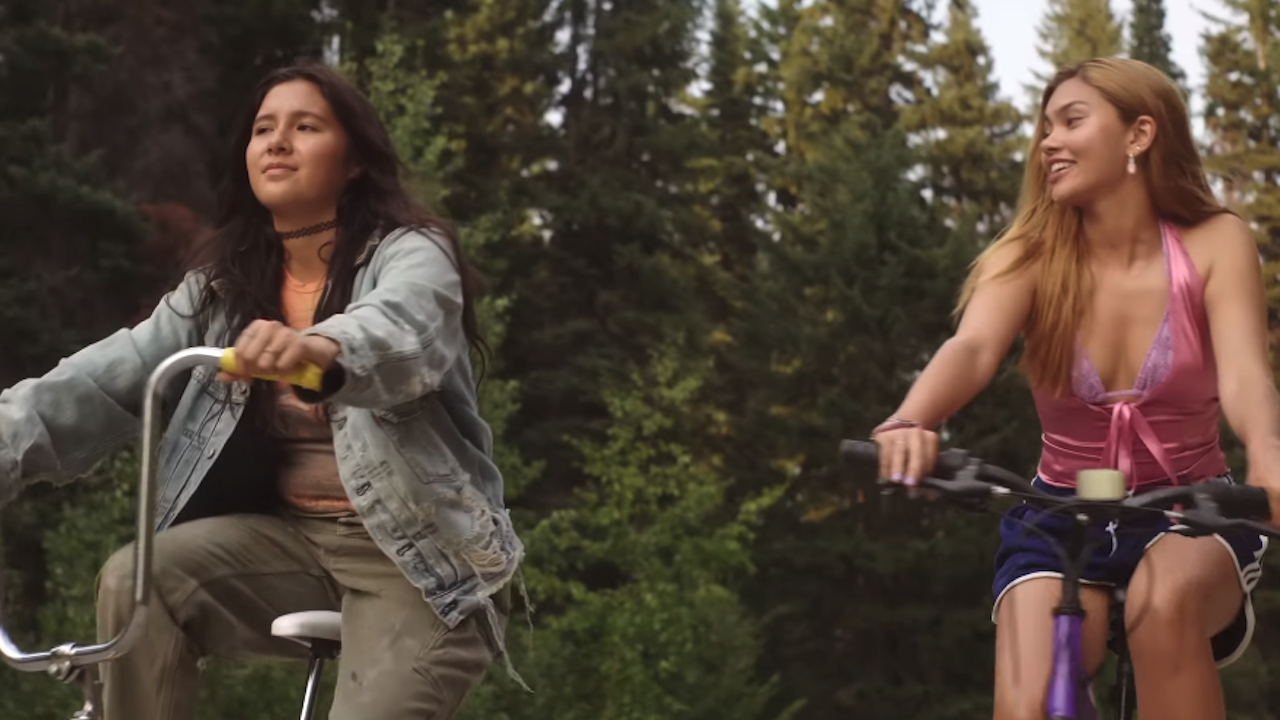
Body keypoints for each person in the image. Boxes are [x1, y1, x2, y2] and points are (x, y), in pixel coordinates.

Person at [0, 63, 523, 719]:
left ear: (355, 161)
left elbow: (404, 326)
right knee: (139, 578)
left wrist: (320, 348)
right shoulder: (222, 288)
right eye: (262, 129)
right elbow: (101, 378)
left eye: (305, 127)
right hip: (289, 545)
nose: (277, 141)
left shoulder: (413, 253)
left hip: (419, 559)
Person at [871, 57, 1280, 720]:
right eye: (1045, 127)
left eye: (1071, 122)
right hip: (1059, 511)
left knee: (1160, 607)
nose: (1048, 142)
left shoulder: (1215, 241)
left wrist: (1267, 458)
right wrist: (911, 420)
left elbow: (1244, 373)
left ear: (1138, 134)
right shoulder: (1030, 253)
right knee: (1031, 695)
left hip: (1189, 509)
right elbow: (972, 348)